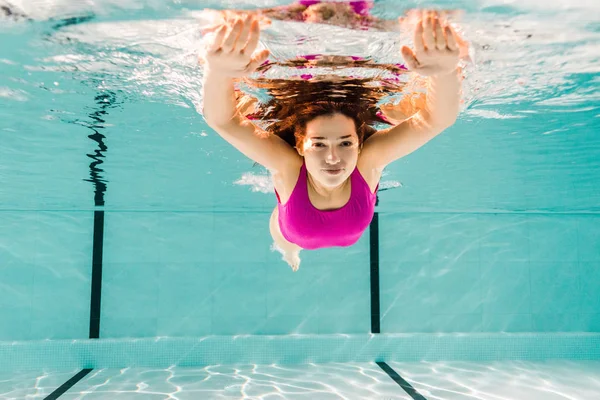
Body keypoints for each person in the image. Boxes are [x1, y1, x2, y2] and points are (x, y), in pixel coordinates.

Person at [201, 9, 464, 271]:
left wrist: (220, 73)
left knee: (289, 236)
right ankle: (292, 253)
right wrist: (445, 73)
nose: (333, 157)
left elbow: (224, 121)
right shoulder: (292, 167)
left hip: (305, 226)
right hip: (292, 233)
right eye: (319, 143)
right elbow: (435, 119)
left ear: (359, 143)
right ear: (301, 145)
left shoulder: (365, 160)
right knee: (288, 244)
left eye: (345, 142)